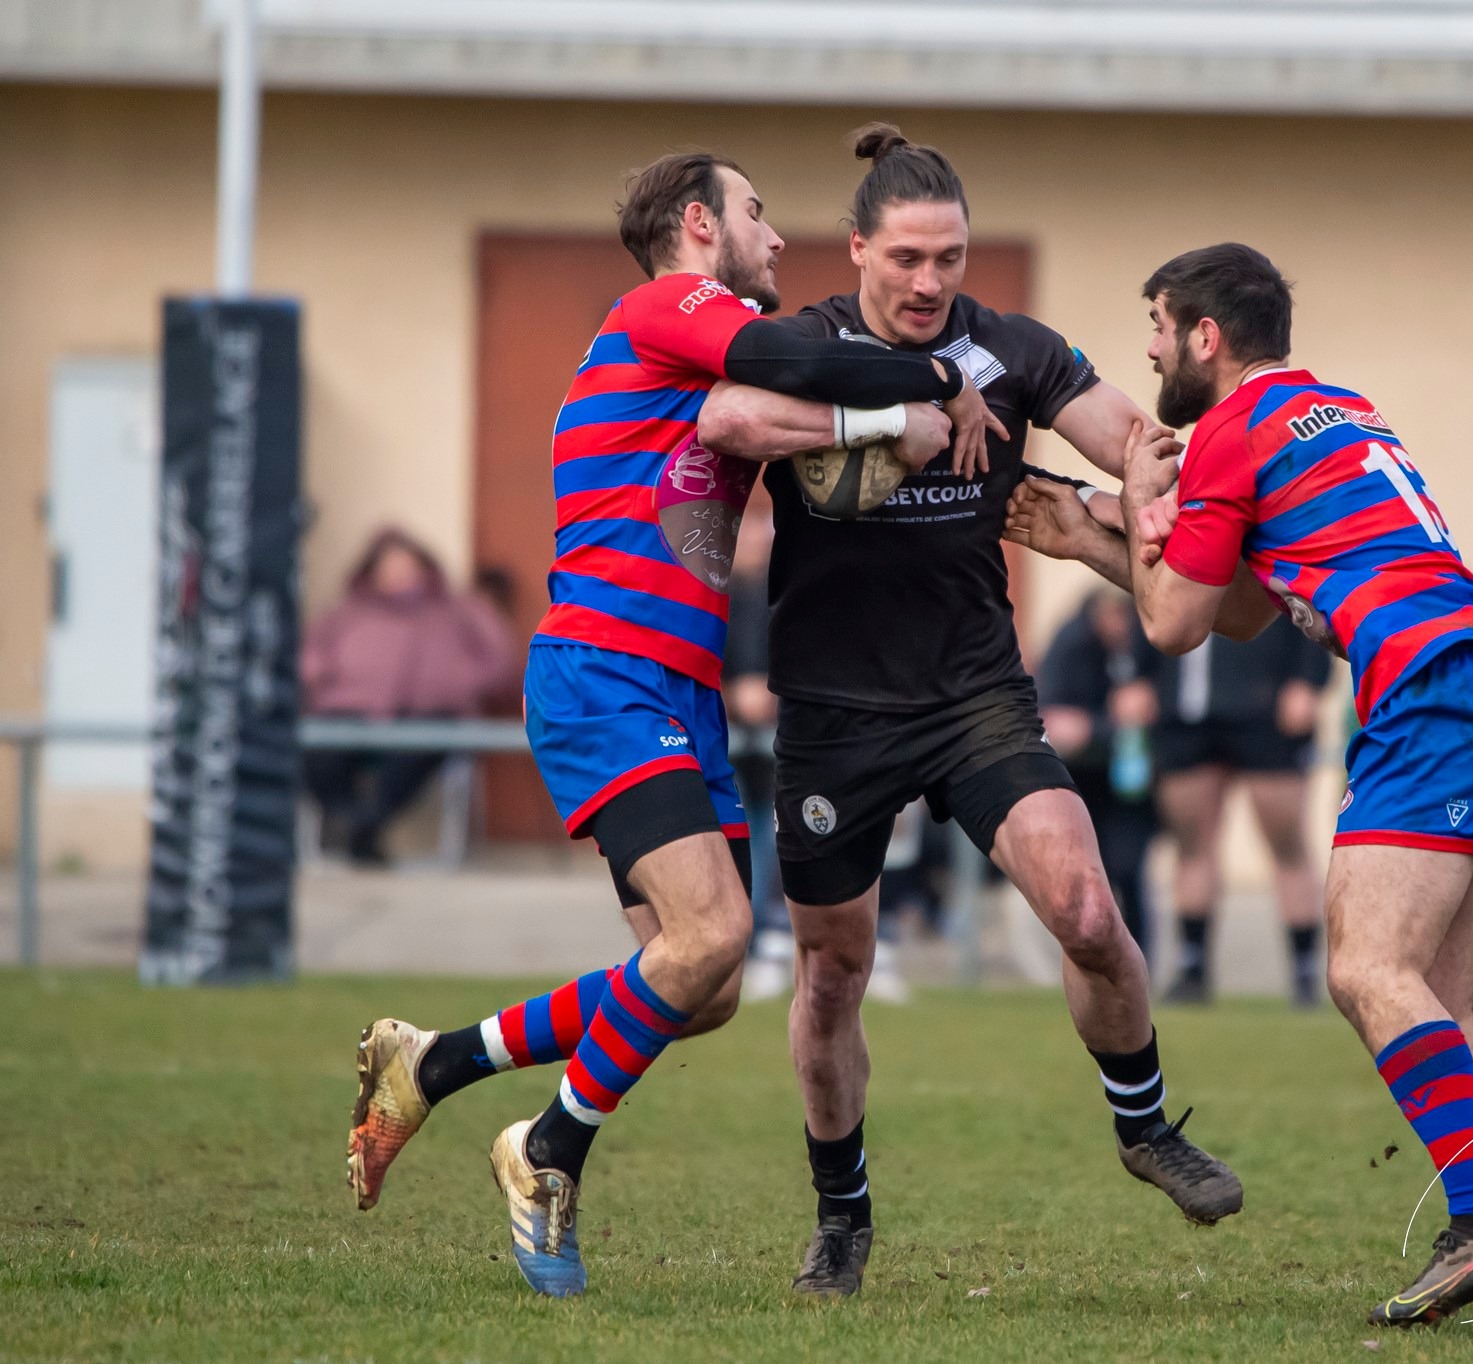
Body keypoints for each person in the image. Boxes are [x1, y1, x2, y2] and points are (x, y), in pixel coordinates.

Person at [343, 148, 986, 1297]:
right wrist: (919, 387)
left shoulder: (681, 358)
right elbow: (772, 363)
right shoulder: (661, 304)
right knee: (709, 938)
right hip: (605, 670)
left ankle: (433, 1060)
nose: (775, 236)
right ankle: (546, 1150)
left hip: (672, 686)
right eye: (753, 212)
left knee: (702, 981)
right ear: (698, 225)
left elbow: (750, 410)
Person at [1006, 242, 1473, 1329]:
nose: (1146, 349)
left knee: (1369, 970)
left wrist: (1122, 515)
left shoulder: (1229, 428)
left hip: (1430, 697)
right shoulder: (1337, 408)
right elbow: (1235, 605)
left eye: (1156, 324)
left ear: (1204, 335)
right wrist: (1101, 541)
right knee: (1448, 1002)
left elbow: (1175, 624)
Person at [694, 124, 1242, 1297]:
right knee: (835, 971)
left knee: (1088, 907)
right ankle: (841, 1215)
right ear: (855, 250)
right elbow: (729, 420)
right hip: (836, 709)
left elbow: (1134, 441)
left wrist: (1152, 495)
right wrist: (885, 417)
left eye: (947, 257)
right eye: (903, 257)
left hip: (974, 693)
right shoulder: (802, 344)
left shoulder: (1016, 350)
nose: (927, 281)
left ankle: (1143, 1125)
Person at [300, 528, 517, 865]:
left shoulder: (456, 610)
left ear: (423, 568)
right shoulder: (346, 612)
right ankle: (352, 824)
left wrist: (461, 683)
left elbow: (501, 657)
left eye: (406, 566)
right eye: (389, 567)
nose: (398, 575)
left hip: (428, 716)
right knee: (320, 755)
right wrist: (322, 678)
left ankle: (366, 825)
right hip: (348, 712)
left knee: (415, 755)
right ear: (372, 571)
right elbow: (310, 653)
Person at [1149, 623, 1330, 1007]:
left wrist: (1308, 681)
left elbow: (1307, 604)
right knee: (1193, 847)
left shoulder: (1275, 560)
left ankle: (1305, 972)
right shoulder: (1169, 561)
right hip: (1187, 717)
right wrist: (1137, 676)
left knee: (1287, 844)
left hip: (1266, 713)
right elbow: (1149, 605)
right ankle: (1192, 969)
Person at [1038, 590, 1161, 957]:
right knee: (1090, 877)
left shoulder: (1151, 651)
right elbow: (1057, 720)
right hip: (1085, 780)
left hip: (1133, 784)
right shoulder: (1072, 646)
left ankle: (1141, 962)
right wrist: (1104, 724)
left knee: (1128, 871)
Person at [724, 504, 797, 1001]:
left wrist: (775, 693)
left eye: (765, 522)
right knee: (735, 836)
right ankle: (738, 945)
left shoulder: (788, 590)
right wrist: (732, 693)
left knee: (776, 832)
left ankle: (771, 939)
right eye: (749, 522)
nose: (758, 534)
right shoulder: (710, 595)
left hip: (781, 744)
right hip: (719, 743)